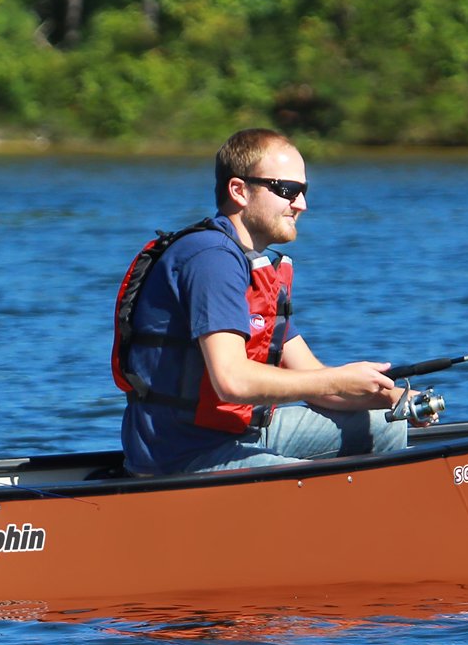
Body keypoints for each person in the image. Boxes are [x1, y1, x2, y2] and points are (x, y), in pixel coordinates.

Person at [112, 128, 411, 477]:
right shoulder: (212, 259)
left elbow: (314, 381)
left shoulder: (254, 267)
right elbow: (233, 381)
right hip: (182, 457)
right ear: (239, 190)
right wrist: (338, 381)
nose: (301, 204)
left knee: (388, 423)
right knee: (306, 480)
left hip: (235, 433)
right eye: (287, 190)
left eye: (304, 191)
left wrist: (393, 397)